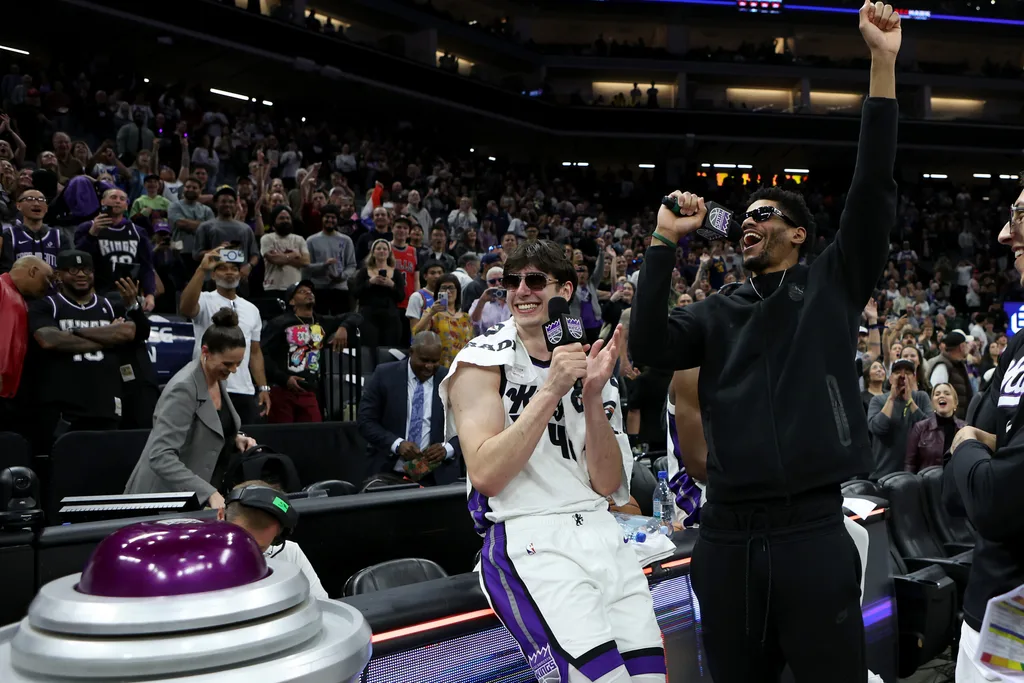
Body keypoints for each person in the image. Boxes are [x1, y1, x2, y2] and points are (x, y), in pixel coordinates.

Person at [627, 5, 901, 679]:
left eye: (764, 214)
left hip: (812, 530)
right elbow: (649, 343)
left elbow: (870, 188)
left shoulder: (834, 282)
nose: (747, 223)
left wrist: (883, 63)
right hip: (726, 538)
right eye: (743, 218)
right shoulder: (716, 312)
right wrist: (663, 243)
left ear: (800, 233)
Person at [442, 240, 665, 683]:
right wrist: (551, 389)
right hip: (530, 534)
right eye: (512, 281)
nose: (522, 290)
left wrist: (593, 394)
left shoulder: (592, 368)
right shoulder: (481, 361)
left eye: (536, 281)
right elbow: (486, 474)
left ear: (565, 289)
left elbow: (606, 483)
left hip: (602, 532)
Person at [946, 186, 1024, 683]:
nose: (1002, 233)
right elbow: (965, 488)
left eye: (1019, 214)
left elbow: (997, 499)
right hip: (991, 614)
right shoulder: (1019, 346)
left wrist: (975, 445)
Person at [125, 308, 257, 508]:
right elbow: (160, 456)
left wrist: (233, 437)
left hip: (192, 501)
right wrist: (209, 492)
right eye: (228, 364)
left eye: (238, 363)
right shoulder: (183, 388)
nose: (233, 370)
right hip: (161, 501)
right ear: (205, 352)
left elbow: (208, 423)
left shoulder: (217, 377)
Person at [26, 251, 146, 452]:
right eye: (73, 269)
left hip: (106, 407)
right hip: (62, 411)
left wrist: (72, 333)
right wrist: (108, 338)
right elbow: (49, 340)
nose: (81, 274)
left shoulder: (110, 305)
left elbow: (129, 332)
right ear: (58, 275)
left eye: (87, 270)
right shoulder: (46, 306)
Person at [358, 332, 462, 485]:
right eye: (424, 360)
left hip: (437, 477)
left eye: (435, 361)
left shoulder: (450, 380)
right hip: (388, 473)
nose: (429, 366)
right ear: (411, 352)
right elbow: (365, 421)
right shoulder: (384, 375)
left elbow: (468, 425)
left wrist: (448, 449)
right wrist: (397, 444)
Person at [180, 248, 270, 424]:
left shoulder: (252, 309)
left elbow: (255, 353)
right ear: (213, 275)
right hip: (210, 386)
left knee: (248, 445)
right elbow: (185, 309)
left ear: (240, 274)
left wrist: (263, 387)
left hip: (244, 390)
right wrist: (202, 269)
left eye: (234, 269)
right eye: (222, 268)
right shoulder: (204, 299)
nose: (229, 272)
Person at [261, 280, 358, 424]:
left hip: (309, 389)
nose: (308, 293)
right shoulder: (279, 323)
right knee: (283, 437)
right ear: (292, 302)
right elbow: (262, 354)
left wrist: (343, 327)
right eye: (301, 291)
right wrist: (283, 378)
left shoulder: (321, 321)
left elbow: (357, 316)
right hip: (282, 389)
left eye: (310, 291)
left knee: (313, 434)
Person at [217, 480, 328, 599]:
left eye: (260, 549)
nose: (248, 555)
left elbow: (321, 605)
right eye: (240, 544)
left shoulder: (290, 553)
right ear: (221, 517)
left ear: (278, 536)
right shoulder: (199, 561)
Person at [74, 187, 156, 311]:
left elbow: (146, 266)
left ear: (126, 206)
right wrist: (92, 234)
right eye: (113, 197)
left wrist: (150, 294)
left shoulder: (138, 232)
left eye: (122, 199)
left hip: (129, 294)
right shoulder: (86, 228)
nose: (117, 201)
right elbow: (77, 259)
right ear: (102, 202)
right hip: (96, 292)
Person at [867, 359, 932, 479]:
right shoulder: (878, 400)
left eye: (907, 372)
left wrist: (910, 401)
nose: (902, 377)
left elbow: (930, 431)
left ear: (914, 377)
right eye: (897, 373)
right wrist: (891, 398)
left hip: (916, 475)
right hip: (884, 474)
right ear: (891, 378)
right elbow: (878, 429)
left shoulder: (921, 397)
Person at [0, 256, 52, 407]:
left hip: (9, 393)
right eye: (47, 279)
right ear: (33, 271)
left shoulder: (21, 300)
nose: (49, 286)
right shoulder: (2, 287)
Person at [0, 189, 72, 273]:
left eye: (41, 200)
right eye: (30, 199)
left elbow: (65, 270)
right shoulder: (9, 235)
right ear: (18, 206)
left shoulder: (59, 236)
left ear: (46, 208)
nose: (36, 204)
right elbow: (6, 270)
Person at [351, 238, 405, 348]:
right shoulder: (363, 272)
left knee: (390, 347)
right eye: (378, 248)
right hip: (368, 316)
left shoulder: (396, 273)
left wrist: (392, 285)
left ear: (389, 253)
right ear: (373, 252)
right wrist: (370, 282)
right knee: (369, 348)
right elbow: (355, 293)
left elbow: (401, 297)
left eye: (385, 249)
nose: (382, 251)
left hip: (390, 317)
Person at [412, 274, 472, 368]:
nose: (448, 291)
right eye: (443, 288)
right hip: (440, 365)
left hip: (462, 366)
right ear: (438, 292)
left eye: (451, 288)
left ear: (458, 291)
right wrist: (431, 313)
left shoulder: (466, 317)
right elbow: (417, 334)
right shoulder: (432, 314)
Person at [305, 204, 356, 315]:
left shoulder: (346, 240)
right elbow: (307, 267)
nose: (330, 220)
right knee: (317, 325)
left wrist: (341, 276)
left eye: (333, 218)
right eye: (327, 217)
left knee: (340, 325)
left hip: (340, 289)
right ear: (322, 218)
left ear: (337, 220)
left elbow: (352, 265)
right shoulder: (311, 240)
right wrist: (324, 265)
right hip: (318, 289)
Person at [904, 383, 962, 473]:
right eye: (937, 394)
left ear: (955, 403)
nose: (941, 396)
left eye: (947, 393)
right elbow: (910, 464)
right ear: (933, 404)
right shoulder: (920, 428)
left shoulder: (964, 429)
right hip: (926, 484)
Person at [925, 330, 974, 418]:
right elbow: (935, 395)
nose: (968, 347)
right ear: (962, 346)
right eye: (966, 344)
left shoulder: (958, 364)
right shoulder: (942, 366)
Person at [261, 205, 309, 293]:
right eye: (281, 218)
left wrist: (282, 257)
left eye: (288, 218)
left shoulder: (299, 239)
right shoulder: (267, 238)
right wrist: (295, 255)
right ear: (274, 221)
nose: (285, 221)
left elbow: (306, 261)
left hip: (295, 288)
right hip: (273, 287)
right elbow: (274, 259)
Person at [467, 266, 511, 336]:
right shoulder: (478, 303)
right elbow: (472, 324)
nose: (497, 284)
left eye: (500, 280)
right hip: (489, 342)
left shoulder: (514, 300)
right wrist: (482, 301)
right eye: (492, 282)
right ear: (487, 284)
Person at [405, 260, 444, 329]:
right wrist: (430, 313)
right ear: (425, 276)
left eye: (440, 273)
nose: (437, 276)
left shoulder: (448, 296)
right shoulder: (417, 296)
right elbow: (414, 329)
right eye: (432, 273)